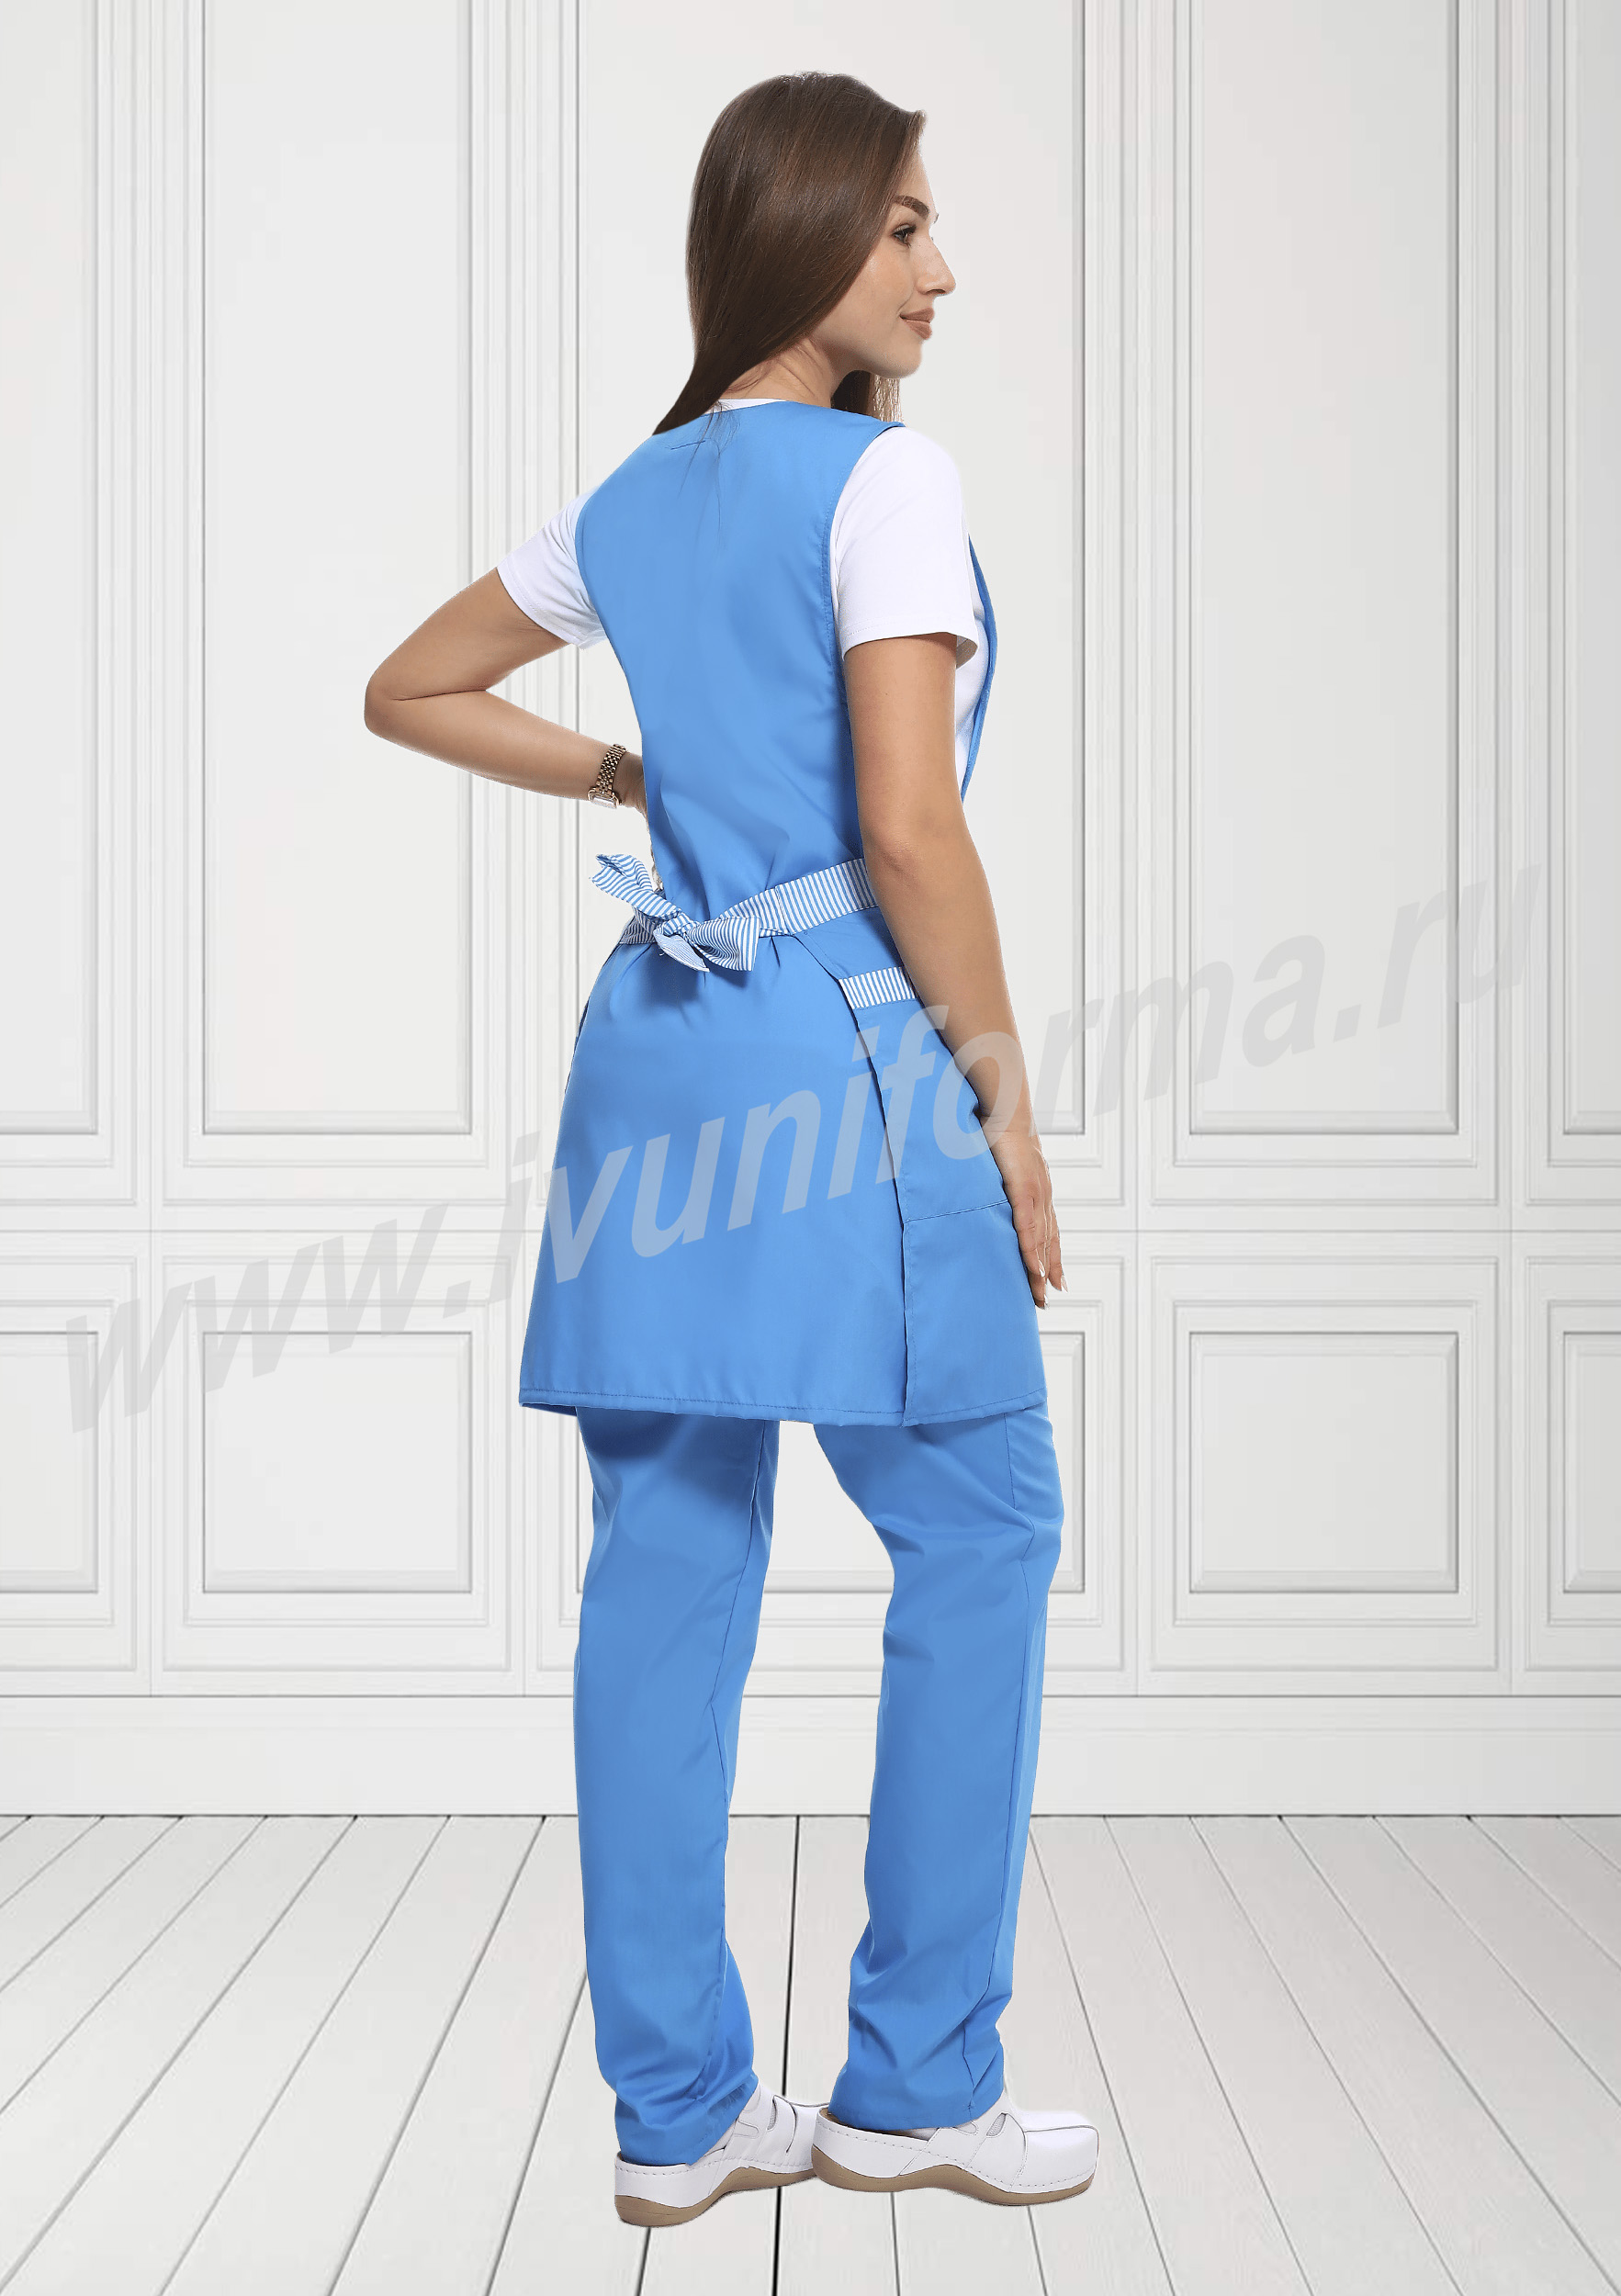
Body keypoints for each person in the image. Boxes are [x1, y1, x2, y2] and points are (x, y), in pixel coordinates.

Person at [365, 69, 1098, 2229]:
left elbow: (409, 684)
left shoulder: (629, 496)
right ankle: (915, 2081)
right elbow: (908, 828)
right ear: (802, 235)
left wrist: (633, 778)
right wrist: (1008, 1104)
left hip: (655, 1053)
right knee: (981, 1522)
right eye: (902, 224)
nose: (939, 266)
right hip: (845, 1059)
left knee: (666, 1567)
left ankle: (675, 2114)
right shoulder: (884, 479)